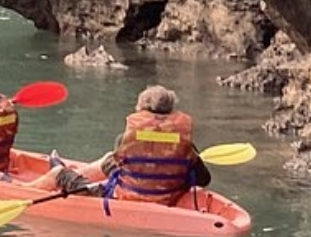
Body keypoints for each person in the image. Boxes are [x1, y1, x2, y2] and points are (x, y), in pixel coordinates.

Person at [35, 85, 210, 204]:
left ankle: (29, 185)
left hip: (125, 199)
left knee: (59, 174)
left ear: (142, 109)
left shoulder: (125, 139)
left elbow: (117, 169)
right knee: (108, 159)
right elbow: (204, 179)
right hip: (167, 198)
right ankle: (74, 173)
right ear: (171, 110)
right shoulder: (186, 144)